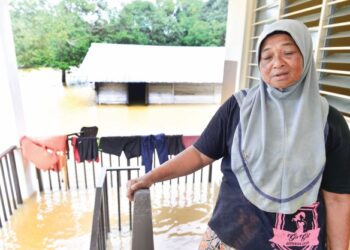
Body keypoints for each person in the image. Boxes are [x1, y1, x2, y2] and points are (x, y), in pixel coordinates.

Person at [127, 19, 350, 250]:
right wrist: (151, 177)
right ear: (259, 63)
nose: (277, 63)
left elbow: (337, 198)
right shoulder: (239, 107)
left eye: (288, 53)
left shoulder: (329, 122)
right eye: (267, 56)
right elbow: (199, 154)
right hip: (231, 238)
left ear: (305, 55)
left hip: (297, 243)